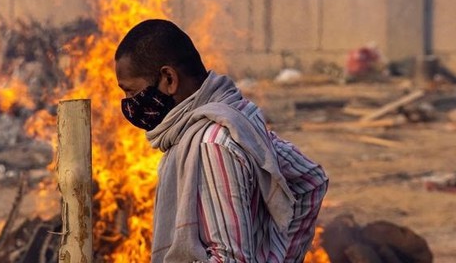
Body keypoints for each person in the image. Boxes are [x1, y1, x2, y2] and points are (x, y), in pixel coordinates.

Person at [114, 19, 329, 263]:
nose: (129, 103)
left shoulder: (211, 144)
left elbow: (230, 257)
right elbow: (311, 180)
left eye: (130, 91)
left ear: (169, 79)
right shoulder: (235, 115)